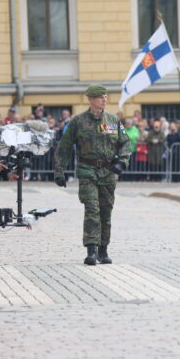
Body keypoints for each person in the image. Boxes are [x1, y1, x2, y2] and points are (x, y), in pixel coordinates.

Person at [54, 84, 130, 265]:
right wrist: (59, 171)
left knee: (106, 211)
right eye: (100, 97)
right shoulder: (78, 122)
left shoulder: (113, 121)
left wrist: (122, 161)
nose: (104, 99)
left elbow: (125, 142)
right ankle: (91, 250)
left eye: (105, 96)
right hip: (87, 171)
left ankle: (103, 250)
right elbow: (64, 147)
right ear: (90, 99)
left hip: (108, 172)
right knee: (92, 209)